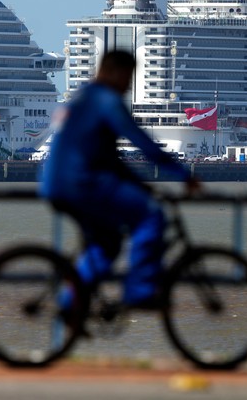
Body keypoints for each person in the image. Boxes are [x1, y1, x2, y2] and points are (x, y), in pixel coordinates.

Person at [40, 50, 201, 309]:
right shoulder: (106, 100)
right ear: (115, 72)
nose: (128, 85)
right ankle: (139, 292)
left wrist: (138, 184)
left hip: (53, 184)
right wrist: (183, 174)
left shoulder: (81, 98)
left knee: (107, 245)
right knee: (151, 216)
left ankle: (70, 304)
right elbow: (142, 143)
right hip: (81, 184)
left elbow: (110, 158)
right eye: (128, 77)